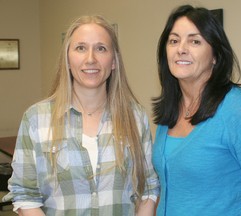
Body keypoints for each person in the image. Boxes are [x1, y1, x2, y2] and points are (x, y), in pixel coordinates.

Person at [3, 15, 159, 216]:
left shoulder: (135, 117)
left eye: (101, 48)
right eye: (81, 48)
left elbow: (148, 187)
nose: (91, 58)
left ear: (114, 61)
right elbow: (25, 194)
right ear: (67, 59)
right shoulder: (36, 118)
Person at [152, 4, 241, 216]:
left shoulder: (239, 111)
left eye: (195, 41)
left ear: (215, 55)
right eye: (174, 40)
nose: (181, 48)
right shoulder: (169, 109)